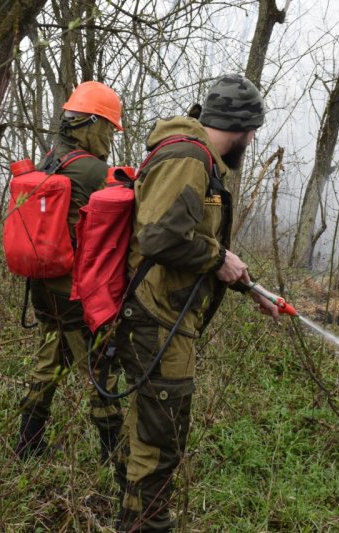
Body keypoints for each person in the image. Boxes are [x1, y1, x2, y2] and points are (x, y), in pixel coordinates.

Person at [111, 73, 279, 532]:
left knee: (153, 430)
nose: (251, 141)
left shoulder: (198, 157)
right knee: (160, 439)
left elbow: (199, 244)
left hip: (164, 316)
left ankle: (133, 516)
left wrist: (252, 288)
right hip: (154, 317)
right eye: (252, 132)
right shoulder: (189, 158)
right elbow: (159, 237)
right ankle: (145, 524)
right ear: (244, 130)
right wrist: (217, 257)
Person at [15, 81, 124, 462]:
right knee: (99, 374)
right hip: (75, 297)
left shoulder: (49, 159)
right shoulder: (94, 170)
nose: (110, 138)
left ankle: (26, 446)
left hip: (43, 290)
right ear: (90, 124)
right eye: (108, 129)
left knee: (47, 364)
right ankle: (115, 458)